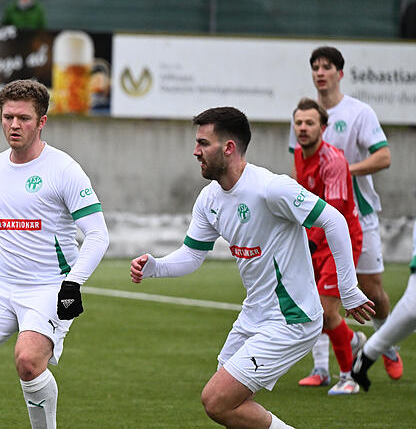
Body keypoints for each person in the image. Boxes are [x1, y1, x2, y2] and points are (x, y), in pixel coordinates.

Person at [131, 106, 374, 428]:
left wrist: (348, 288)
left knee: (217, 399)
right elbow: (191, 255)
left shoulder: (271, 188)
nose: (195, 151)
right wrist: (155, 267)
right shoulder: (209, 199)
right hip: (253, 315)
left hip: (292, 319)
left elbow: (334, 219)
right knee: (228, 404)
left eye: (203, 143)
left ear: (228, 147)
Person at [0, 79, 109, 429]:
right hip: (2, 283)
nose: (14, 125)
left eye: (24, 118)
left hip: (50, 287)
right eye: (8, 117)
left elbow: (98, 235)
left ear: (41, 122)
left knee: (28, 361)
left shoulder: (64, 169)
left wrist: (73, 284)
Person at [288, 46, 398, 385]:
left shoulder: (358, 112)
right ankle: (323, 368)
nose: (320, 72)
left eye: (327, 67)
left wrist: (340, 171)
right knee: (321, 299)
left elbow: (384, 157)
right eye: (315, 67)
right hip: (321, 223)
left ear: (340, 73)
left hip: (355, 216)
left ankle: (386, 344)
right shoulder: (303, 116)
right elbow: (301, 173)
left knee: (371, 290)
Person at [292, 97, 366, 395]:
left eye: (310, 123)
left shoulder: (333, 162)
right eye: (298, 123)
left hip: (340, 240)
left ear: (323, 127)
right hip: (316, 239)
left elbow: (333, 217)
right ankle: (340, 352)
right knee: (314, 309)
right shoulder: (299, 154)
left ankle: (349, 377)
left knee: (326, 311)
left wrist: (309, 241)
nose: (303, 128)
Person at [353, 221, 416, 391]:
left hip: (360, 220)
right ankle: (322, 367)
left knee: (373, 296)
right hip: (320, 219)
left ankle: (370, 352)